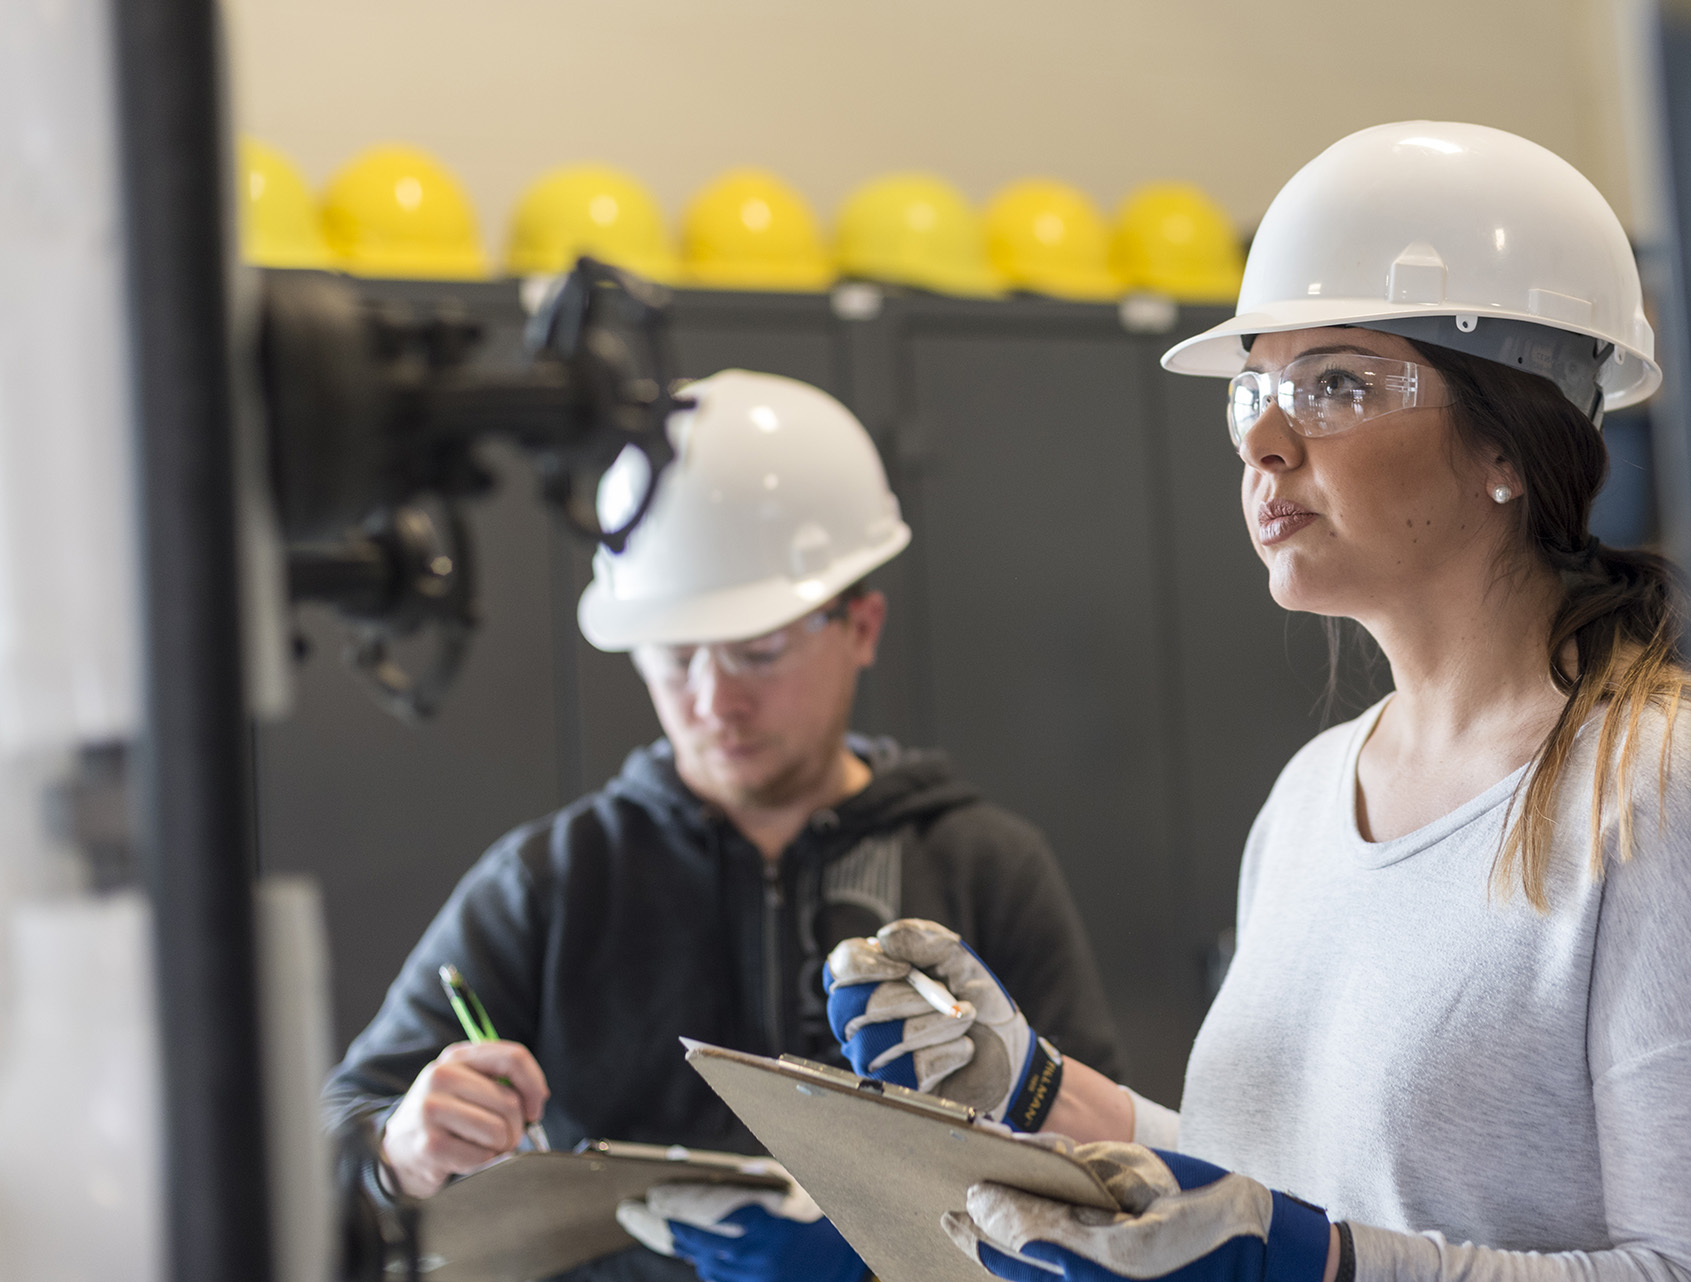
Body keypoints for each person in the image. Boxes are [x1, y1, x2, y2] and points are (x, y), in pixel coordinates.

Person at [820, 123, 1691, 1282]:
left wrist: (1323, 1269)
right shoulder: (1314, 793)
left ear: (1512, 441)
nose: (1261, 437)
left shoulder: (1664, 788)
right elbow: (1270, 1188)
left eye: (1338, 384)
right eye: (1255, 385)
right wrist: (1046, 1098)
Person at [323, 369, 1123, 1282]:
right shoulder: (551, 882)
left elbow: (1106, 1171)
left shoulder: (983, 864)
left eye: (758, 652)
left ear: (860, 626)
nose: (713, 702)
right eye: (674, 659)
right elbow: (339, 1126)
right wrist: (402, 1144)